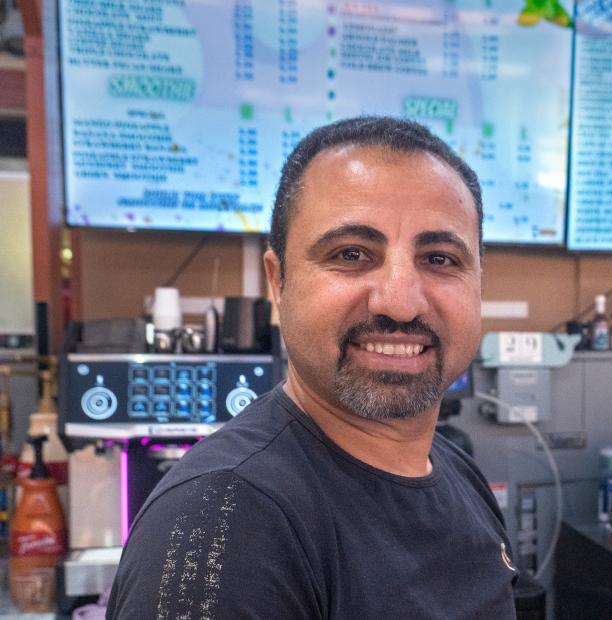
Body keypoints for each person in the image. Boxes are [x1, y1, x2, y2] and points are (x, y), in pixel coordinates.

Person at [107, 116, 518, 619]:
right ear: (278, 283)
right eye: (352, 253)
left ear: (478, 284)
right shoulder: (229, 519)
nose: (402, 302)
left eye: (439, 258)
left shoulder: (458, 473)